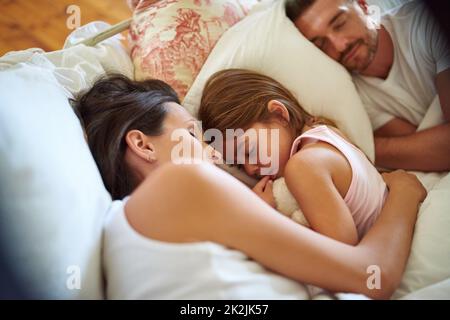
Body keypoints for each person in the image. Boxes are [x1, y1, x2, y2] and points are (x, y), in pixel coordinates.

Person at [72, 74, 425, 299]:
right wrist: (405, 193)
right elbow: (371, 278)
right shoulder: (182, 182)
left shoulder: (128, 224)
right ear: (143, 144)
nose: (212, 150)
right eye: (194, 133)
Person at [200, 68, 393, 244]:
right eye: (239, 165)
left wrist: (265, 216)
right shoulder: (324, 131)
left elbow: (343, 254)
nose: (250, 169)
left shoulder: (303, 166)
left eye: (249, 151)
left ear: (280, 114)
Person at [285, 0, 450, 172]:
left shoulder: (426, 23)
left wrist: (359, 146)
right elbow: (427, 153)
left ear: (363, 6)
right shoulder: (349, 95)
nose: (339, 45)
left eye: (340, 24)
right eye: (321, 44)